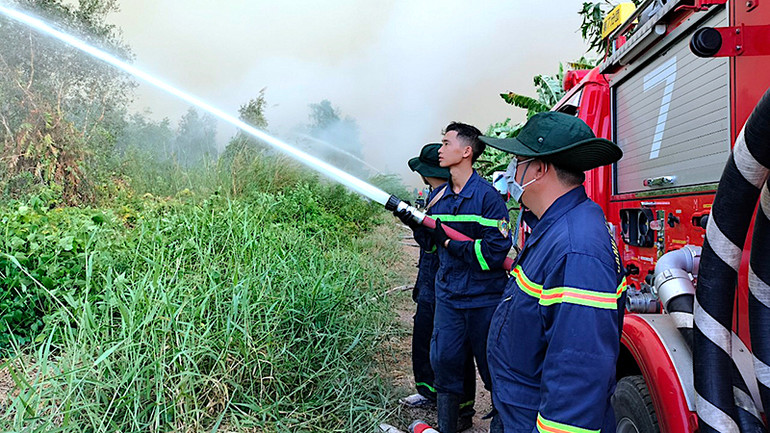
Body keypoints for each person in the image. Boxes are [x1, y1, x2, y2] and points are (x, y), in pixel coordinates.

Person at [480, 112, 626, 432]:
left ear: (539, 169)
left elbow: (577, 376)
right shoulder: (558, 226)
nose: (510, 172)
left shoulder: (577, 249)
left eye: (517, 161)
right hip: (520, 412)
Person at [427, 122, 512, 433]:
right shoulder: (437, 199)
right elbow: (429, 246)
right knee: (445, 363)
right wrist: (414, 223)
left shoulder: (489, 199)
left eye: (446, 143)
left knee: (494, 368)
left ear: (466, 151)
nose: (440, 149)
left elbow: (493, 252)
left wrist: (451, 243)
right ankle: (449, 425)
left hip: (485, 300)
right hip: (448, 297)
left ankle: (501, 427)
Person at [394, 143, 477, 430]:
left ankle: (460, 410)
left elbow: (438, 243)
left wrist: (418, 227)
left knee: (451, 348)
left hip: (445, 284)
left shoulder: (450, 199)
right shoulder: (436, 196)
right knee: (427, 342)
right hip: (432, 282)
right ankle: (431, 393)